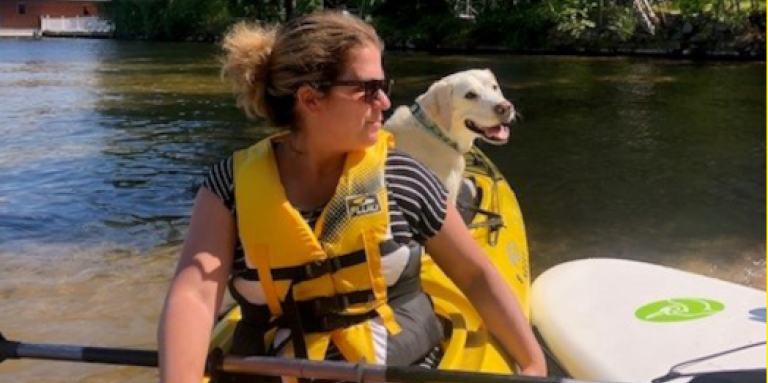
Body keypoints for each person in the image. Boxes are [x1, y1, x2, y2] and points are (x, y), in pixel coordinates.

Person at [157, 11, 547, 383]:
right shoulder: (228, 187)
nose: (384, 103)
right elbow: (194, 295)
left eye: (384, 87)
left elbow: (476, 275)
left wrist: (532, 363)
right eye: (368, 90)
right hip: (274, 368)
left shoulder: (404, 177)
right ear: (310, 100)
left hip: (395, 364)